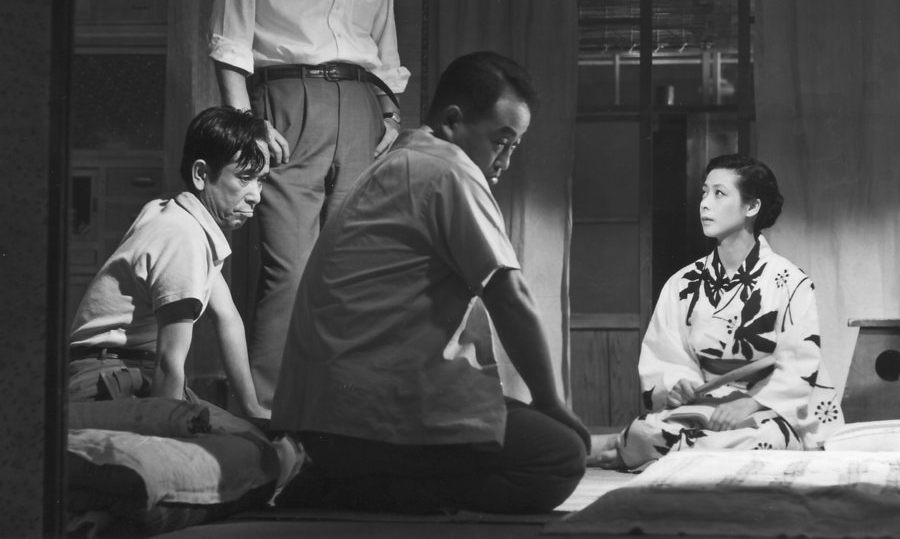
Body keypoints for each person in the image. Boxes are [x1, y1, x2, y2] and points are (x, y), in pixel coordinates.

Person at [272, 51, 590, 514]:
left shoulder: (396, 162)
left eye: (514, 147)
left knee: (521, 432)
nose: (504, 161)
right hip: (368, 418)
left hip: (324, 419)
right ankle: (357, 492)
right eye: (500, 142)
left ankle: (348, 481)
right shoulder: (448, 169)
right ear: (453, 121)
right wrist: (550, 401)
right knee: (559, 456)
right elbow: (510, 297)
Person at [208, 0, 420, 408]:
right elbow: (230, 33)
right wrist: (244, 125)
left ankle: (342, 410)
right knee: (290, 269)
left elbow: (385, 47)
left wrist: (389, 114)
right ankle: (266, 414)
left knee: (352, 268)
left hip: (360, 106)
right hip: (286, 101)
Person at [588, 154, 844, 470]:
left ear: (752, 207)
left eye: (719, 193)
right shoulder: (683, 283)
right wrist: (679, 386)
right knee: (644, 431)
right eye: (704, 193)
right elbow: (666, 352)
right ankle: (663, 451)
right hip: (705, 405)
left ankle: (644, 452)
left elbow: (800, 361)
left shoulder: (791, 281)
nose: (705, 204)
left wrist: (750, 404)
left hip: (766, 411)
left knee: (766, 440)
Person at [67, 106, 271, 421]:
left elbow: (228, 318)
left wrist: (252, 407)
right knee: (229, 443)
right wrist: (169, 432)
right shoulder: (182, 236)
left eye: (261, 180)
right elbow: (168, 362)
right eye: (245, 178)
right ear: (201, 174)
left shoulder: (180, 216)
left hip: (128, 370)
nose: (255, 195)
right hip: (107, 377)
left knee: (242, 434)